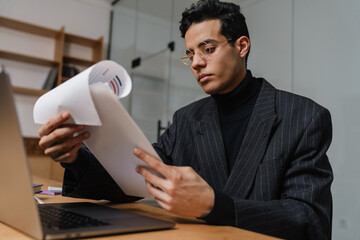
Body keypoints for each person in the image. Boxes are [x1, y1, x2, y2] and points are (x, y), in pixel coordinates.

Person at [38, 0, 333, 239]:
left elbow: (311, 219)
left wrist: (218, 207)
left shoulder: (304, 117)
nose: (196, 63)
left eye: (208, 49)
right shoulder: (187, 119)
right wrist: (75, 158)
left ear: (242, 46)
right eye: (190, 53)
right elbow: (138, 177)